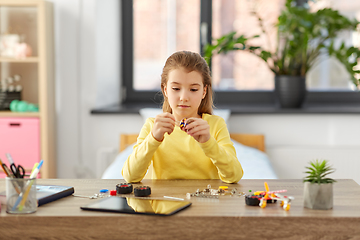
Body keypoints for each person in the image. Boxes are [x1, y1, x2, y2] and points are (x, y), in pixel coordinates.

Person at [122, 51, 243, 183]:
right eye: (176, 88)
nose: (184, 98)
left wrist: (208, 142)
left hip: (206, 202)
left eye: (193, 90)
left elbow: (234, 176)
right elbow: (130, 177)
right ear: (165, 90)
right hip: (165, 201)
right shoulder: (152, 126)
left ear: (204, 91)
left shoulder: (216, 125)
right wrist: (153, 138)